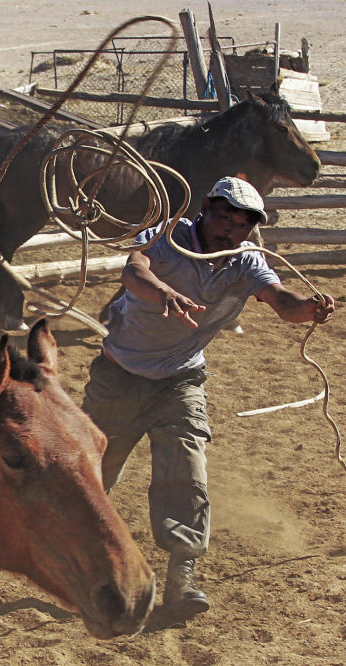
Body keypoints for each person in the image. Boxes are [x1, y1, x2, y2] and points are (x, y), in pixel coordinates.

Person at [82, 176, 335, 621]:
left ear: (251, 229)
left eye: (242, 224)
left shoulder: (247, 260)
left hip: (181, 381)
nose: (230, 230)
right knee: (87, 476)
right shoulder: (167, 236)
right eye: (225, 217)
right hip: (118, 378)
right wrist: (163, 292)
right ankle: (9, 554)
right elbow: (134, 270)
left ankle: (183, 577)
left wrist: (308, 308)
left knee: (188, 471)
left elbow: (281, 301)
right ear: (205, 209)